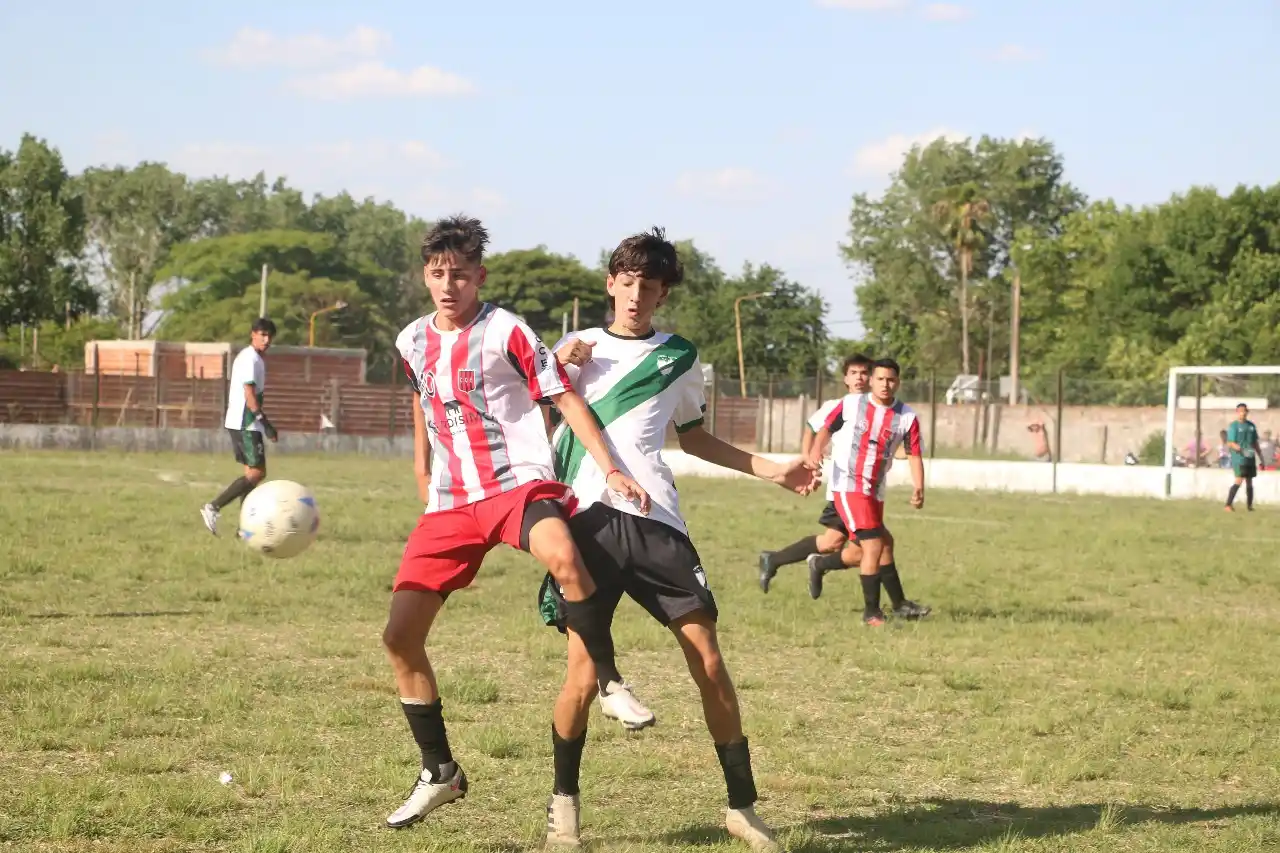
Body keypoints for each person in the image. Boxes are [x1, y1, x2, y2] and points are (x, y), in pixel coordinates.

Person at [537, 228, 815, 851]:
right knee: (581, 675)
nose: (636, 295)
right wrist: (559, 380)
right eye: (627, 282)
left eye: (649, 287)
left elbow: (693, 437)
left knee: (709, 661)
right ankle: (564, 812)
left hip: (659, 522)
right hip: (585, 521)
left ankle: (742, 808)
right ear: (611, 284)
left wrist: (772, 469)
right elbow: (541, 427)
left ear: (661, 295)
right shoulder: (569, 349)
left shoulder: (681, 357)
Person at [382, 215, 655, 831]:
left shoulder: (506, 331)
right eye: (436, 274)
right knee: (399, 637)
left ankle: (606, 677)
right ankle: (439, 773)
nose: (448, 285)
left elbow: (563, 397)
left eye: (460, 274)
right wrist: (422, 473)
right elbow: (423, 403)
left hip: (515, 483)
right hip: (452, 502)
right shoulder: (410, 340)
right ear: (424, 276)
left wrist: (610, 467)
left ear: (479, 276)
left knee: (563, 556)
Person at [808, 359, 926, 627]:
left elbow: (915, 453)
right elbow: (825, 427)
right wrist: (815, 453)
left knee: (879, 545)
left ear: (898, 382)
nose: (886, 384)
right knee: (873, 545)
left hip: (874, 489)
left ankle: (899, 604)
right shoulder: (851, 404)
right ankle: (872, 612)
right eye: (881, 379)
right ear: (872, 380)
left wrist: (919, 486)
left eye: (891, 380)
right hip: (849, 485)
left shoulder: (907, 416)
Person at [756, 353, 871, 593]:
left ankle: (776, 559)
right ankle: (882, 608)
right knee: (872, 548)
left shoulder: (877, 410)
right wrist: (808, 458)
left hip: (865, 489)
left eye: (864, 373)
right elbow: (811, 428)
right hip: (846, 489)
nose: (859, 378)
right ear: (846, 379)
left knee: (831, 542)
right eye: (854, 373)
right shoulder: (837, 407)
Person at [201, 317, 278, 534]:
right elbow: (249, 394)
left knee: (251, 476)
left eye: (269, 336)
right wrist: (266, 423)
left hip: (245, 422)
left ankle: (243, 529)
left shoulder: (255, 359)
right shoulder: (250, 359)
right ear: (252, 334)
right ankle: (213, 507)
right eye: (262, 335)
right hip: (245, 423)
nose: (266, 339)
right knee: (256, 473)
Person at [1225, 403, 1263, 512]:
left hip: (1250, 457)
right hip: (1239, 458)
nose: (1243, 413)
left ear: (1247, 412)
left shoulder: (1251, 426)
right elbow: (1230, 443)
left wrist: (1261, 457)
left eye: (1245, 411)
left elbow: (1255, 443)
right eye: (1240, 411)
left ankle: (1249, 506)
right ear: (1237, 412)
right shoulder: (1234, 426)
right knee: (1239, 479)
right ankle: (1228, 505)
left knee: (1250, 481)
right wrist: (1240, 450)